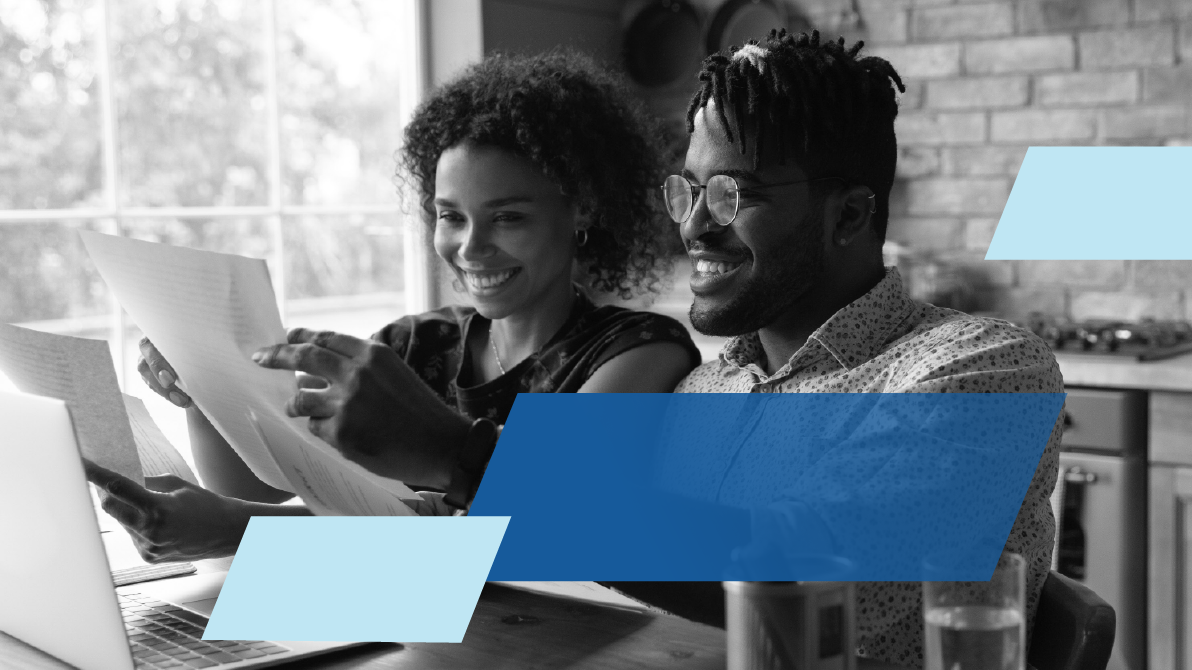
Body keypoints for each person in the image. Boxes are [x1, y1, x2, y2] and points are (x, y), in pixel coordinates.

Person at [284, 31, 1063, 667]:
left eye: (735, 194)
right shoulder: (706, 388)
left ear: (850, 215)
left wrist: (459, 453)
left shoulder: (981, 370)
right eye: (687, 191)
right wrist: (246, 531)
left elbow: (810, 569)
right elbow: (521, 550)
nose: (692, 226)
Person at [94, 50, 700, 561]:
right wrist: (203, 394)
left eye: (508, 218)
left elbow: (529, 529)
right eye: (450, 216)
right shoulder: (414, 346)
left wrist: (237, 531)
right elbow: (267, 489)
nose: (471, 247)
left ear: (584, 209)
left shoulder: (639, 355)